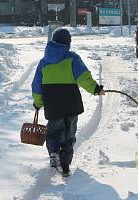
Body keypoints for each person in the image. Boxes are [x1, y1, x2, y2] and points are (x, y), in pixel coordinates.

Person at [31, 28, 105, 177]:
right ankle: (65, 165)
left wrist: (38, 103)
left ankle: (53, 152)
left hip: (53, 106)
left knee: (54, 132)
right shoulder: (72, 58)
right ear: (68, 43)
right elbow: (84, 77)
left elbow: (37, 86)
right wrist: (95, 89)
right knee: (69, 135)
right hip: (71, 104)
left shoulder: (43, 63)